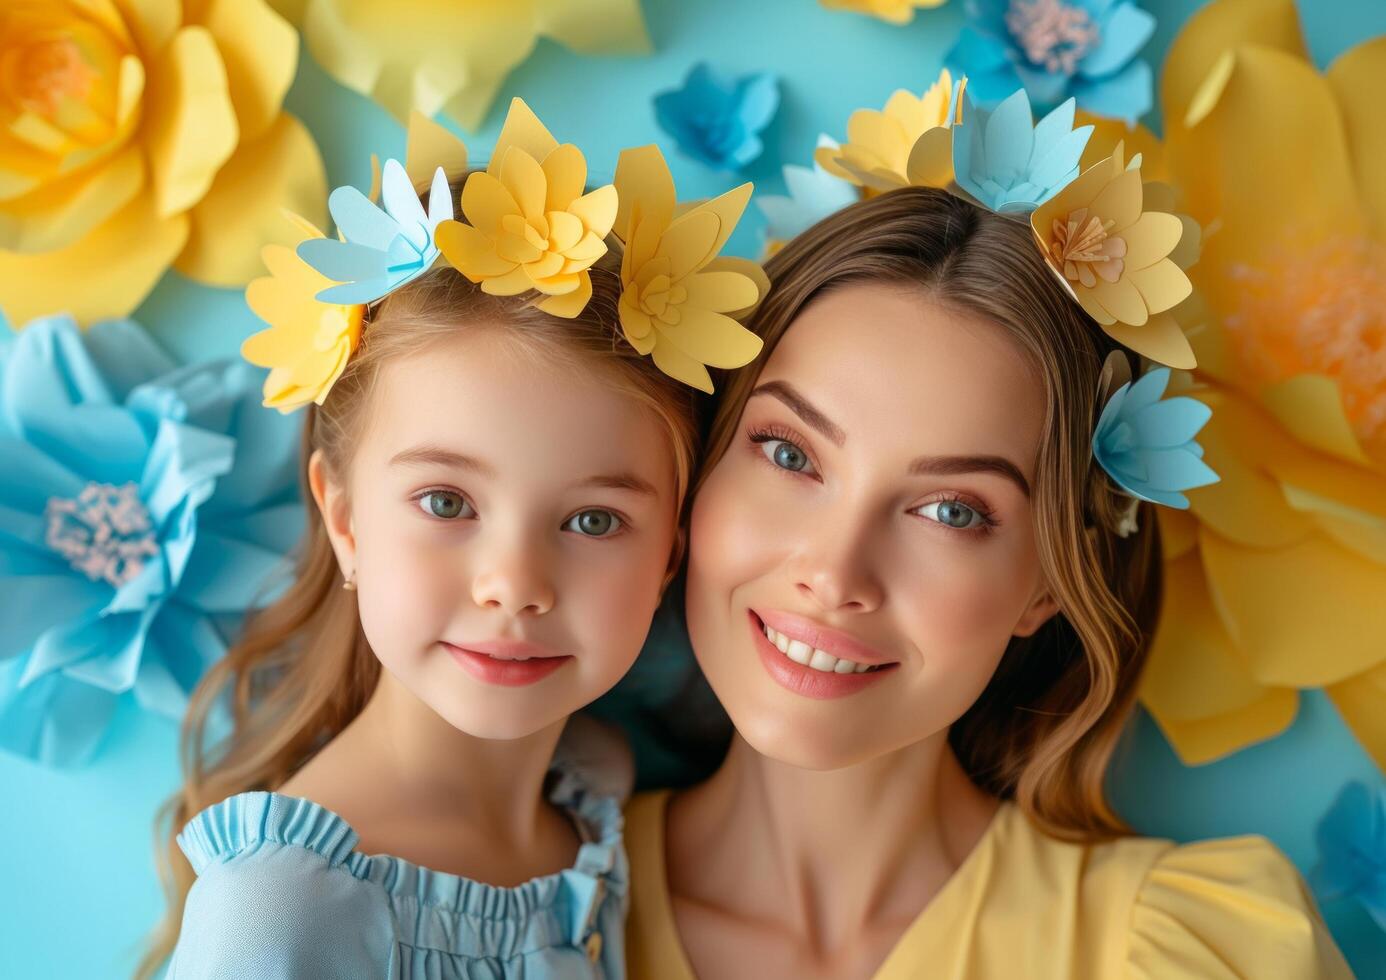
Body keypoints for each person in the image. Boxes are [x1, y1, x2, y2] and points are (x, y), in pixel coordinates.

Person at [623, 143, 1351, 976]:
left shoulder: (1209, 953)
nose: (833, 576)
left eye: (952, 511)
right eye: (789, 455)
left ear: (1047, 584)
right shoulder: (492, 906)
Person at [139, 100, 765, 980]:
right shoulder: (277, 916)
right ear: (345, 518)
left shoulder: (601, 791)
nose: (514, 585)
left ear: (670, 549)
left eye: (593, 520)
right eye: (445, 502)